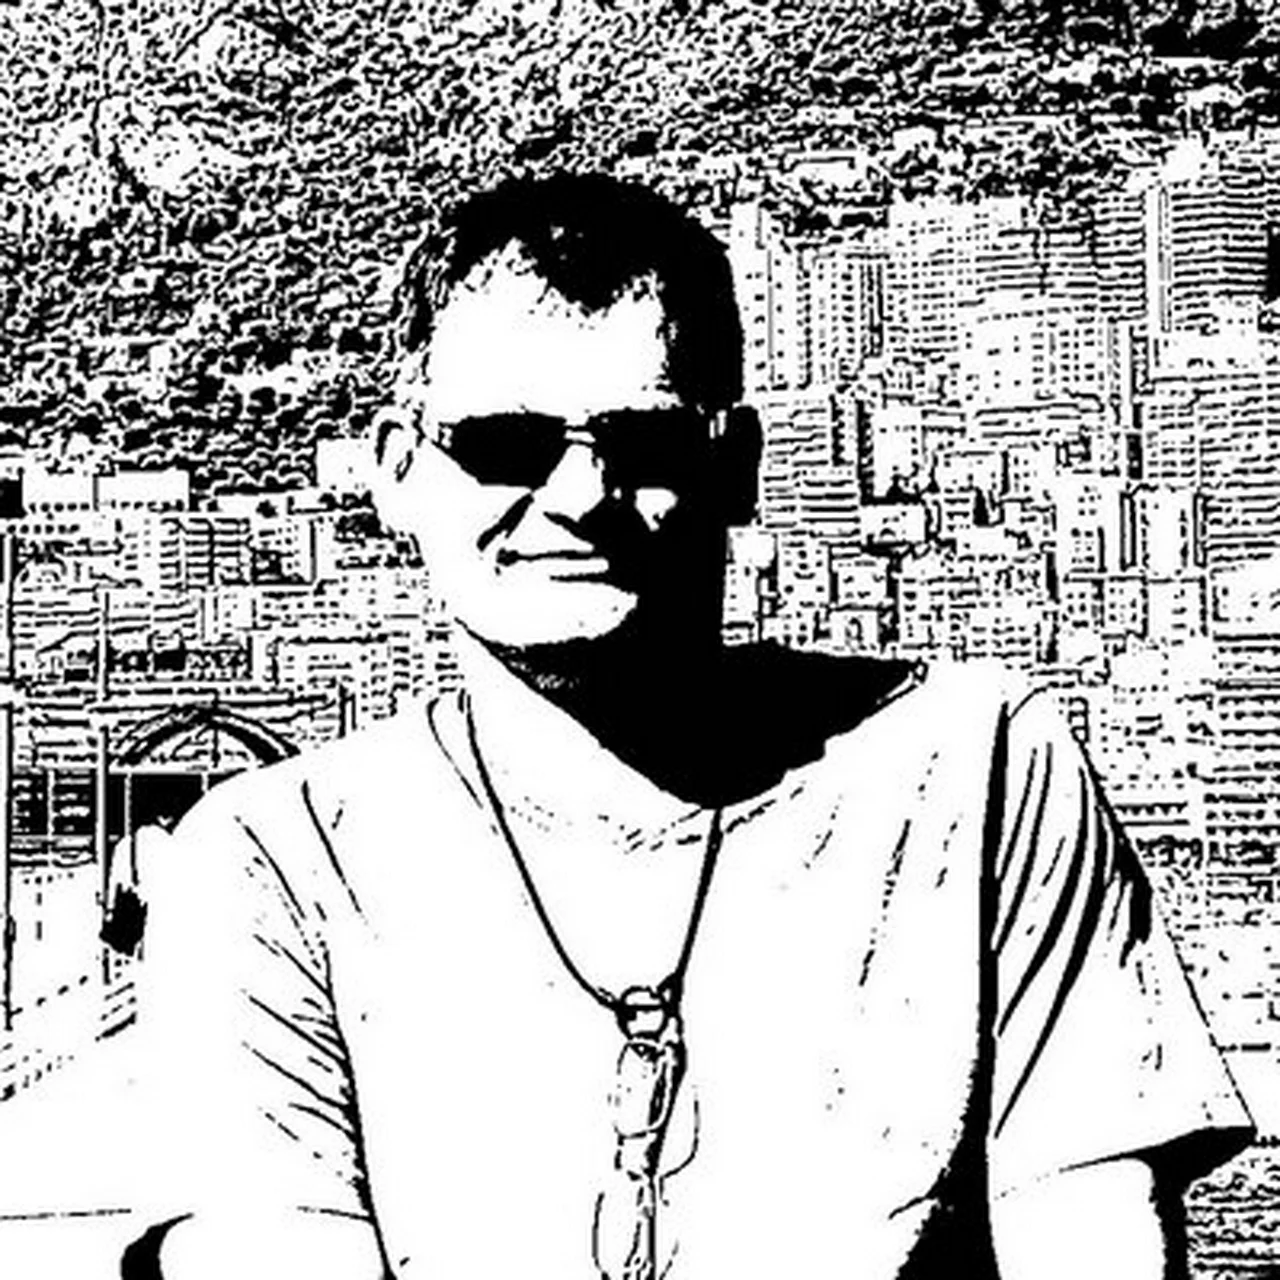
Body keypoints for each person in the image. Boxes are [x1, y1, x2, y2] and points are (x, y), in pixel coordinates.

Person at [128, 172, 1252, 1280]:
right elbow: (268, 1248)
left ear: (736, 467)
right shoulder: (268, 858)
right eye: (504, 445)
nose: (578, 495)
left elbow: (1089, 1227)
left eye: (644, 444)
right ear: (395, 473)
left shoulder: (982, 765)